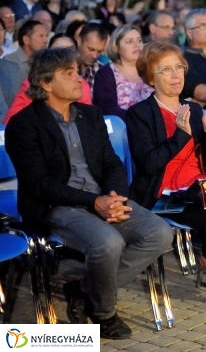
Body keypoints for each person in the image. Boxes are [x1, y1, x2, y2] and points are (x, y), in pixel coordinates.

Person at [5, 47, 173, 338]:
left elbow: (112, 163)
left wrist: (115, 198)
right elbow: (39, 185)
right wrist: (94, 202)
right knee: (108, 243)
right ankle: (104, 313)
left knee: (159, 233)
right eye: (68, 73)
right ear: (45, 83)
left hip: (102, 198)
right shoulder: (23, 125)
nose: (78, 78)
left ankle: (84, 289)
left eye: (77, 71)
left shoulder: (91, 115)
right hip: (56, 206)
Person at [126, 41, 206, 308]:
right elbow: (149, 164)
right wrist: (180, 136)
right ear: (151, 77)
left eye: (179, 68)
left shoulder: (195, 109)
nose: (176, 75)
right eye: (166, 70)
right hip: (165, 194)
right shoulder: (139, 114)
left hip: (199, 186)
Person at [4, 35, 92, 124]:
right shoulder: (32, 85)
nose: (79, 79)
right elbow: (11, 123)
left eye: (70, 51)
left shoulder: (83, 87)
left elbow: (87, 120)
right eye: (58, 53)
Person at [92, 25, 153, 118]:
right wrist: (138, 120)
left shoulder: (151, 69)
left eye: (139, 40)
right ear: (116, 48)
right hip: (122, 129)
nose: (137, 45)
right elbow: (106, 108)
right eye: (129, 41)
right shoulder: (105, 74)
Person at [76, 22, 109, 93]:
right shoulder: (62, 65)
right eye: (91, 49)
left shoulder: (101, 72)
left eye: (99, 51)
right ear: (79, 40)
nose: (94, 55)